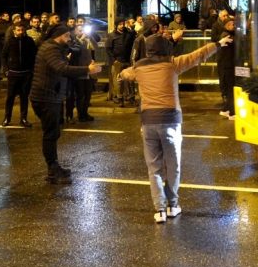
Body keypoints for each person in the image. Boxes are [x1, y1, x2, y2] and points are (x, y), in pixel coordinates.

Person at [119, 28, 229, 223]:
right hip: (170, 121)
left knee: (154, 168)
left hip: (148, 122)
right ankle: (173, 205)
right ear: (164, 49)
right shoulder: (173, 64)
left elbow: (125, 74)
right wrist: (218, 44)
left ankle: (159, 210)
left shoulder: (138, 68)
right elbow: (198, 55)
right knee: (173, 165)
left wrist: (121, 73)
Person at [29, 25, 102, 184]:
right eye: (68, 36)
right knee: (51, 133)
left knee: (53, 132)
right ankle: (52, 170)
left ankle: (54, 167)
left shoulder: (56, 48)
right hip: (45, 97)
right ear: (60, 36)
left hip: (51, 96)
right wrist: (87, 70)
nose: (70, 38)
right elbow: (61, 69)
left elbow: (68, 58)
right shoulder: (50, 49)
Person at [1, 20, 36, 127]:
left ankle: (23, 119)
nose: (20, 32)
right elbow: (3, 56)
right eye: (18, 30)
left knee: (24, 97)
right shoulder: (9, 41)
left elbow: (34, 55)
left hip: (26, 73)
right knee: (10, 97)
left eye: (22, 30)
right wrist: (6, 69)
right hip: (13, 73)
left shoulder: (29, 41)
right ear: (14, 31)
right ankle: (7, 118)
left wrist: (31, 69)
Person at [216, 17, 237, 120]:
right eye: (231, 24)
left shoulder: (228, 34)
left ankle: (225, 110)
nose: (233, 26)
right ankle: (232, 113)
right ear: (226, 26)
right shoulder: (226, 36)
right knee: (231, 90)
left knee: (230, 89)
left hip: (227, 66)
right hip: (228, 67)